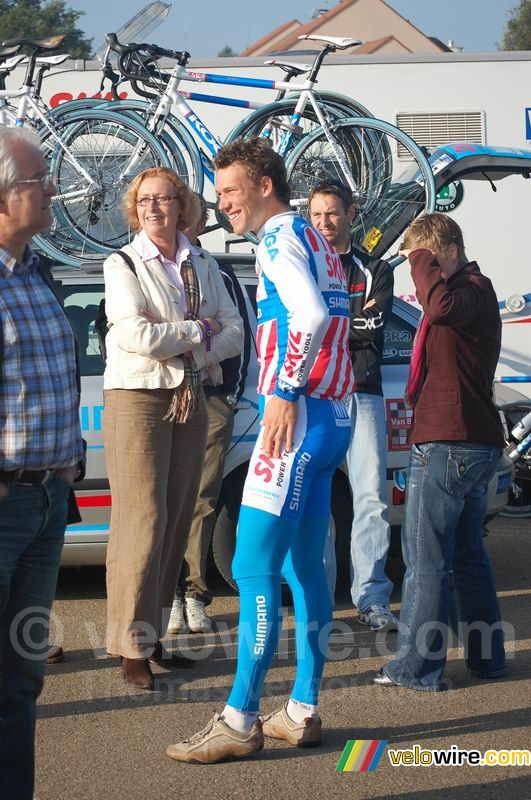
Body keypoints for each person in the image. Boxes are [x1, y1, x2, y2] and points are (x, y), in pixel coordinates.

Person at [166, 138, 354, 764]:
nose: (222, 206)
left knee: (250, 568)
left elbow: (308, 316)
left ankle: (240, 717)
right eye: (217, 194)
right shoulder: (316, 235)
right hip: (333, 418)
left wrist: (284, 391)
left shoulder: (277, 238)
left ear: (265, 187)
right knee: (304, 569)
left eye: (230, 192)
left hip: (297, 423)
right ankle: (301, 708)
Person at [103, 167, 243, 690]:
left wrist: (188, 339)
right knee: (143, 519)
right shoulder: (122, 263)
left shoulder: (203, 260)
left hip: (192, 394)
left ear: (183, 206)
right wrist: (198, 331)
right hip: (139, 395)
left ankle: (154, 634)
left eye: (164, 199)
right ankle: (130, 647)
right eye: (144, 201)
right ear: (134, 209)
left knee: (178, 517)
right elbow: (136, 335)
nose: (153, 208)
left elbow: (235, 331)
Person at [373, 213, 506, 691]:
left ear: (444, 252)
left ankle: (416, 668)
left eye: (422, 258)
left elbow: (440, 308)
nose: (416, 269)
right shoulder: (474, 292)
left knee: (426, 560)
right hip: (470, 440)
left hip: (450, 441)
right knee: (468, 556)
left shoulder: (466, 290)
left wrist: (420, 259)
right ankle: (487, 660)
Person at [0, 127, 85, 800]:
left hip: (47, 501)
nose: (54, 188)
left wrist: (67, 467)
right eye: (39, 180)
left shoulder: (36, 270)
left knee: (21, 678)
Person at [309, 181, 398, 630]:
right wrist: (345, 321)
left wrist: (330, 322)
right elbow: (303, 324)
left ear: (351, 214)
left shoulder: (375, 267)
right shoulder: (304, 264)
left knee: (371, 498)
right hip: (319, 393)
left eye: (333, 213)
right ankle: (319, 600)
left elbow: (373, 325)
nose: (325, 222)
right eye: (317, 214)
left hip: (363, 390)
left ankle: (371, 598)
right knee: (316, 502)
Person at [169, 192, 250, 634]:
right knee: (160, 503)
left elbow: (241, 337)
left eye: (186, 220)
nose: (178, 227)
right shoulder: (145, 269)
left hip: (212, 398)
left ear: (198, 225)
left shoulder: (219, 273)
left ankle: (194, 593)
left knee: (201, 501)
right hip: (161, 400)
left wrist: (229, 398)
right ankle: (167, 593)